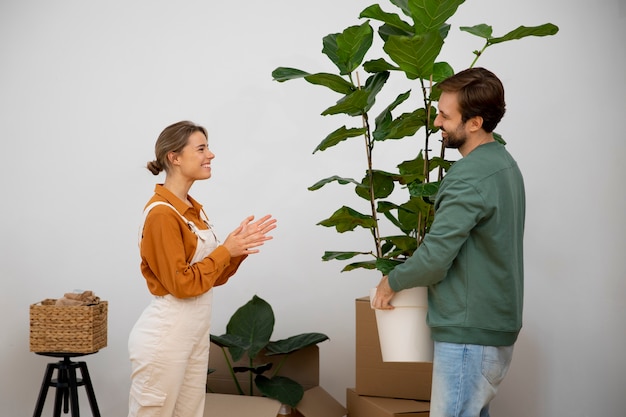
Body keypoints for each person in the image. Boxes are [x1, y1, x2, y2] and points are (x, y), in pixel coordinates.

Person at [372, 67, 525, 417]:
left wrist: (390, 281)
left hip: (469, 336)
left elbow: (435, 258)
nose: (437, 122)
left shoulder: (469, 176)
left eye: (445, 115)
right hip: (492, 327)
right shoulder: (503, 164)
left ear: (475, 122)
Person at [128, 120, 277, 417]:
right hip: (166, 337)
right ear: (175, 157)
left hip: (193, 334)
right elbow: (182, 285)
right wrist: (225, 250)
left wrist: (237, 248)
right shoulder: (162, 215)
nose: (211, 155)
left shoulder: (194, 210)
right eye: (201, 148)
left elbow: (209, 279)